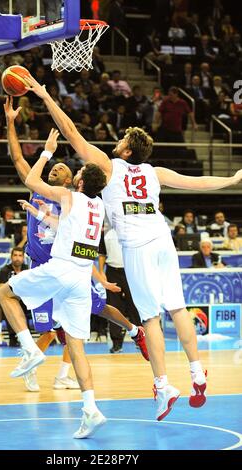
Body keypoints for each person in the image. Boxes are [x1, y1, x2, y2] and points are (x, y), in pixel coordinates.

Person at [24, 73, 242, 421]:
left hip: (138, 246)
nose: (119, 139)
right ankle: (198, 372)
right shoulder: (155, 172)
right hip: (163, 239)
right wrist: (232, 179)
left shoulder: (109, 167)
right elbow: (196, 183)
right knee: (179, 309)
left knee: (152, 318)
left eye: (123, 138)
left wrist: (44, 96)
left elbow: (70, 132)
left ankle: (163, 385)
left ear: (126, 150)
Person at [3, 97, 148, 393]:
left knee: (96, 312)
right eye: (52, 169)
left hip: (65, 268)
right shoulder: (53, 198)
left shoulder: (71, 199)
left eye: (59, 170)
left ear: (72, 180)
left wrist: (100, 278)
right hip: (48, 265)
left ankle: (130, 334)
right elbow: (19, 160)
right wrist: (10, 122)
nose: (53, 171)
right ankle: (49, 369)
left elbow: (84, 246)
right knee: (55, 328)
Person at [0, 129, 108, 439]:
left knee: (4, 292)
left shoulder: (69, 195)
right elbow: (65, 227)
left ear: (81, 182)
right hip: (80, 278)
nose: (76, 173)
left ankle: (30, 350)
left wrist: (46, 152)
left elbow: (32, 181)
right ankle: (91, 409)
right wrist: (39, 215)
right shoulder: (97, 207)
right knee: (76, 347)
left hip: (61, 269)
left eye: (80, 172)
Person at [0, 247, 29, 348]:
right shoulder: (5, 270)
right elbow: (0, 288)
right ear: (11, 257)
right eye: (15, 255)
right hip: (12, 298)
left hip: (25, 299)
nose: (17, 258)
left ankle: (46, 332)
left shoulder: (27, 269)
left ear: (23, 258)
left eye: (20, 256)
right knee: (10, 303)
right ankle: (13, 336)